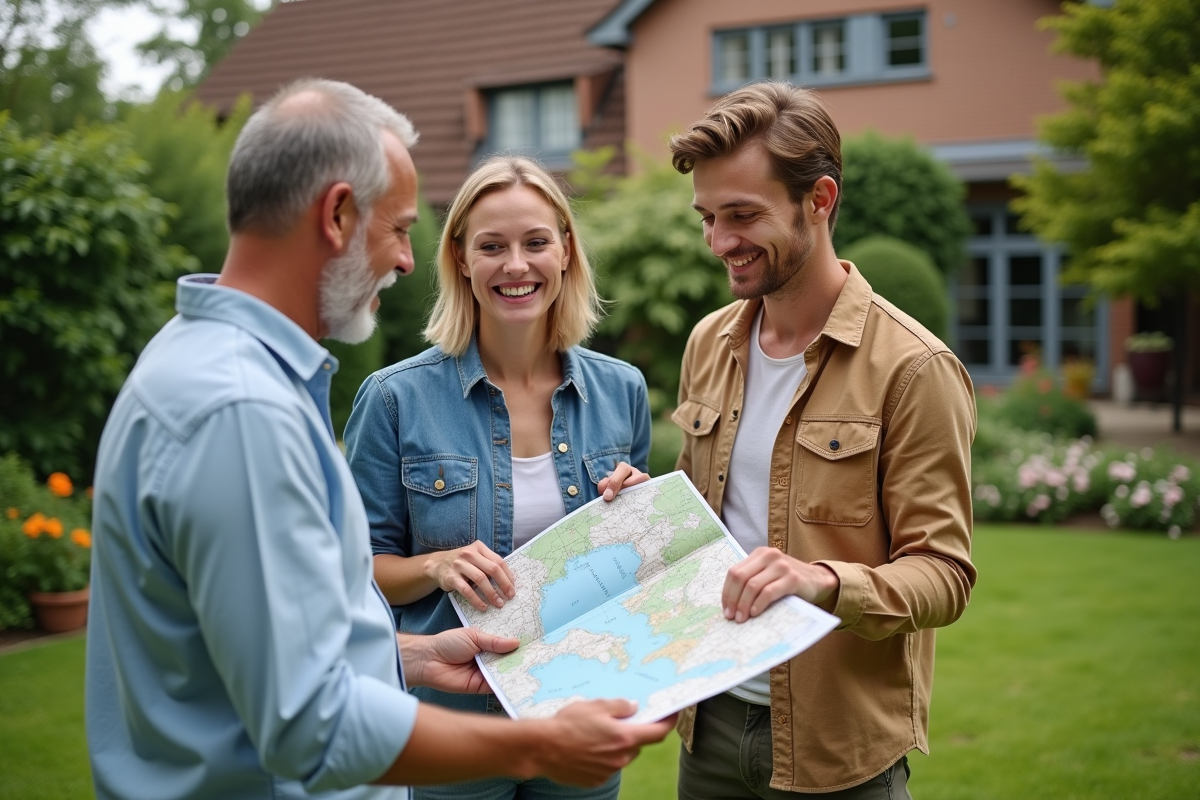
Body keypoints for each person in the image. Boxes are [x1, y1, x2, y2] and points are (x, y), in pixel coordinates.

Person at [84, 78, 674, 800]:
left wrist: (415, 659)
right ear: (336, 214)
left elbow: (273, 653)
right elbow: (313, 724)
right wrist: (534, 744)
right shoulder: (238, 412)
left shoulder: (207, 367)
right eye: (399, 228)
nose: (403, 260)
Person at [665, 81, 978, 798]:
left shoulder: (913, 368)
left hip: (838, 751)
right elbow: (701, 518)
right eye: (708, 218)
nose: (720, 242)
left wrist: (823, 582)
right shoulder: (708, 342)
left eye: (742, 215)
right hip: (707, 725)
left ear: (820, 199)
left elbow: (945, 574)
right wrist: (640, 507)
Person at [344, 155, 652, 800]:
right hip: (450, 726)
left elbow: (637, 574)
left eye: (536, 242)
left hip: (581, 709)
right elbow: (352, 575)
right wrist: (434, 565)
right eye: (492, 246)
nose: (516, 265)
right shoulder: (395, 399)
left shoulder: (621, 391)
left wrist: (638, 515)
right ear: (460, 258)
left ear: (566, 251)